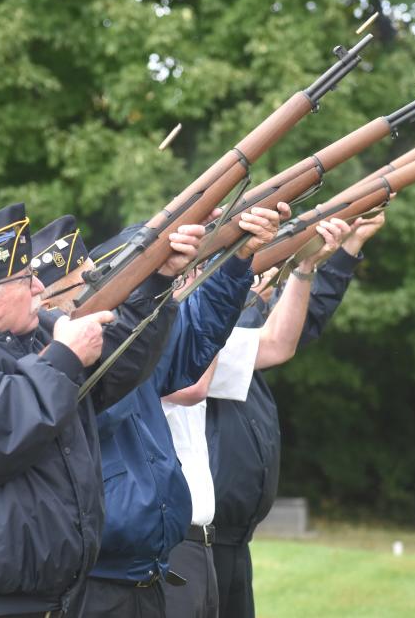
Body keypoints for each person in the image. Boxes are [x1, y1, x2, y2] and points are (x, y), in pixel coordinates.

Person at [0, 202, 205, 618]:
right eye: (25, 280)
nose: (39, 290)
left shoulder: (19, 333)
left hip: (45, 598)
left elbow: (113, 368)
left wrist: (159, 280)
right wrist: (65, 357)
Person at [81, 206, 284, 618]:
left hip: (163, 555)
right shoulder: (86, 352)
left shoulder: (143, 340)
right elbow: (193, 383)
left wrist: (237, 261)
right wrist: (171, 287)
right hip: (113, 566)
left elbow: (198, 341)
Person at [160, 216, 356, 618]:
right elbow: (190, 383)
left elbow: (279, 344)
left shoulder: (190, 329)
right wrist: (222, 294)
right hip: (169, 542)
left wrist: (304, 267)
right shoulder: (157, 333)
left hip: (208, 540)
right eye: (199, 267)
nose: (200, 274)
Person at [205, 212, 386, 618]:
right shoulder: (201, 331)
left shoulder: (237, 327)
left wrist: (343, 250)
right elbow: (271, 336)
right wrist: (288, 274)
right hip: (202, 540)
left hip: (234, 538)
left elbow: (297, 325)